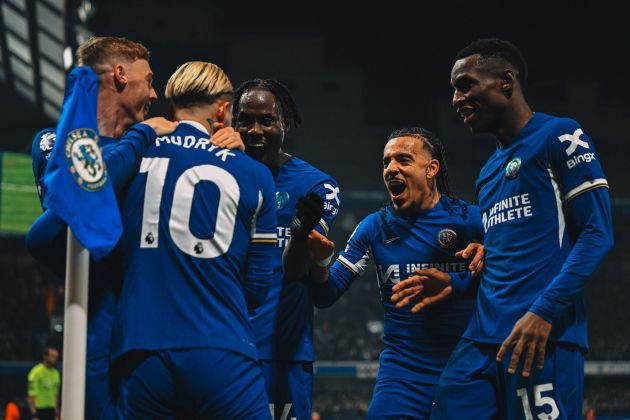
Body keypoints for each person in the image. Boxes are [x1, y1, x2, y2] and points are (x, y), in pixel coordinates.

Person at [397, 38, 614, 419]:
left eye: (466, 85)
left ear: (505, 82)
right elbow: (503, 259)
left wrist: (543, 312)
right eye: (453, 89)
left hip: (542, 335)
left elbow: (598, 233)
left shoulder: (560, 135)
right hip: (482, 340)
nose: (455, 99)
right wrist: (457, 284)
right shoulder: (488, 173)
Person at [25, 36, 181, 420]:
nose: (155, 93)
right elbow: (72, 206)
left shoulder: (155, 148)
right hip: (93, 322)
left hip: (151, 325)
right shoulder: (53, 144)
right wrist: (142, 137)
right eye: (149, 80)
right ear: (120, 74)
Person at [111, 61, 276, 418]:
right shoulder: (254, 174)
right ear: (221, 109)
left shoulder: (134, 155)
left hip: (141, 347)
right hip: (221, 346)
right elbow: (260, 286)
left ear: (172, 107)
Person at [304, 127, 484, 418]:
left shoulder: (472, 221)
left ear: (432, 168)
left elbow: (515, 276)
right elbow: (325, 294)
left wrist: (463, 279)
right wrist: (321, 262)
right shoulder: (374, 228)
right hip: (402, 377)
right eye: (386, 162)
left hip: (467, 370)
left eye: (403, 159)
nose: (391, 169)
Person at [232, 79, 341, 420]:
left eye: (266, 120)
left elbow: (295, 273)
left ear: (286, 124)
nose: (255, 130)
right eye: (245, 120)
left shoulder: (318, 187)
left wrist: (298, 233)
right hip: (226, 345)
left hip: (284, 352)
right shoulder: (218, 175)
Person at [27, 347, 60, 420]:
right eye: (52, 356)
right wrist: (34, 414)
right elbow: (32, 394)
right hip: (39, 410)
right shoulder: (36, 372)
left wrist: (56, 413)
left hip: (51, 410)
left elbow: (56, 395)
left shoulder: (56, 373)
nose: (54, 359)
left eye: (56, 357)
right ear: (45, 357)